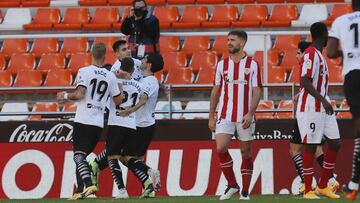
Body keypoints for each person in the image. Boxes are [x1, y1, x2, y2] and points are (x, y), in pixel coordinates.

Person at [89, 53, 164, 198]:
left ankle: (98, 168)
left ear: (148, 64)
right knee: (127, 157)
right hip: (136, 123)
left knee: (119, 155)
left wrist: (130, 110)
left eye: (144, 59)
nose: (141, 61)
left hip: (141, 124)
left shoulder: (151, 81)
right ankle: (148, 183)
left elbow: (143, 100)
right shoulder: (143, 80)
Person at [56, 43, 123, 200]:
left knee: (78, 157)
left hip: (83, 119)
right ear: (105, 56)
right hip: (98, 123)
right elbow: (118, 100)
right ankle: (80, 191)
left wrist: (64, 96)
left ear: (91, 54)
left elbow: (80, 94)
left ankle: (88, 184)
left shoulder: (84, 71)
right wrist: (122, 82)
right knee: (83, 157)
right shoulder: (110, 76)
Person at [208, 30, 262, 200]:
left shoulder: (252, 64)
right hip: (225, 114)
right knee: (220, 148)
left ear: (242, 43)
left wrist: (251, 113)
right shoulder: (221, 65)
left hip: (245, 116)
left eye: (233, 40)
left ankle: (245, 191)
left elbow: (257, 90)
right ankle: (232, 184)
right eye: (228, 40)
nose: (229, 43)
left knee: (245, 152)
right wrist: (211, 115)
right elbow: (216, 91)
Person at [297, 22, 341, 199]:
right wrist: (323, 100)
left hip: (323, 104)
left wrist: (325, 100)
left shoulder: (319, 55)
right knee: (311, 145)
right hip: (311, 106)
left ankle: (323, 185)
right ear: (323, 35)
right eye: (327, 34)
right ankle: (308, 190)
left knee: (335, 142)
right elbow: (305, 80)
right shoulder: (310, 54)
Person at [327, 0, 360, 200]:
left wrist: (344, 54)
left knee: (358, 125)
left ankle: (355, 181)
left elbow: (330, 52)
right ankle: (355, 181)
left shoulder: (341, 20)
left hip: (353, 75)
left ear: (351, 5)